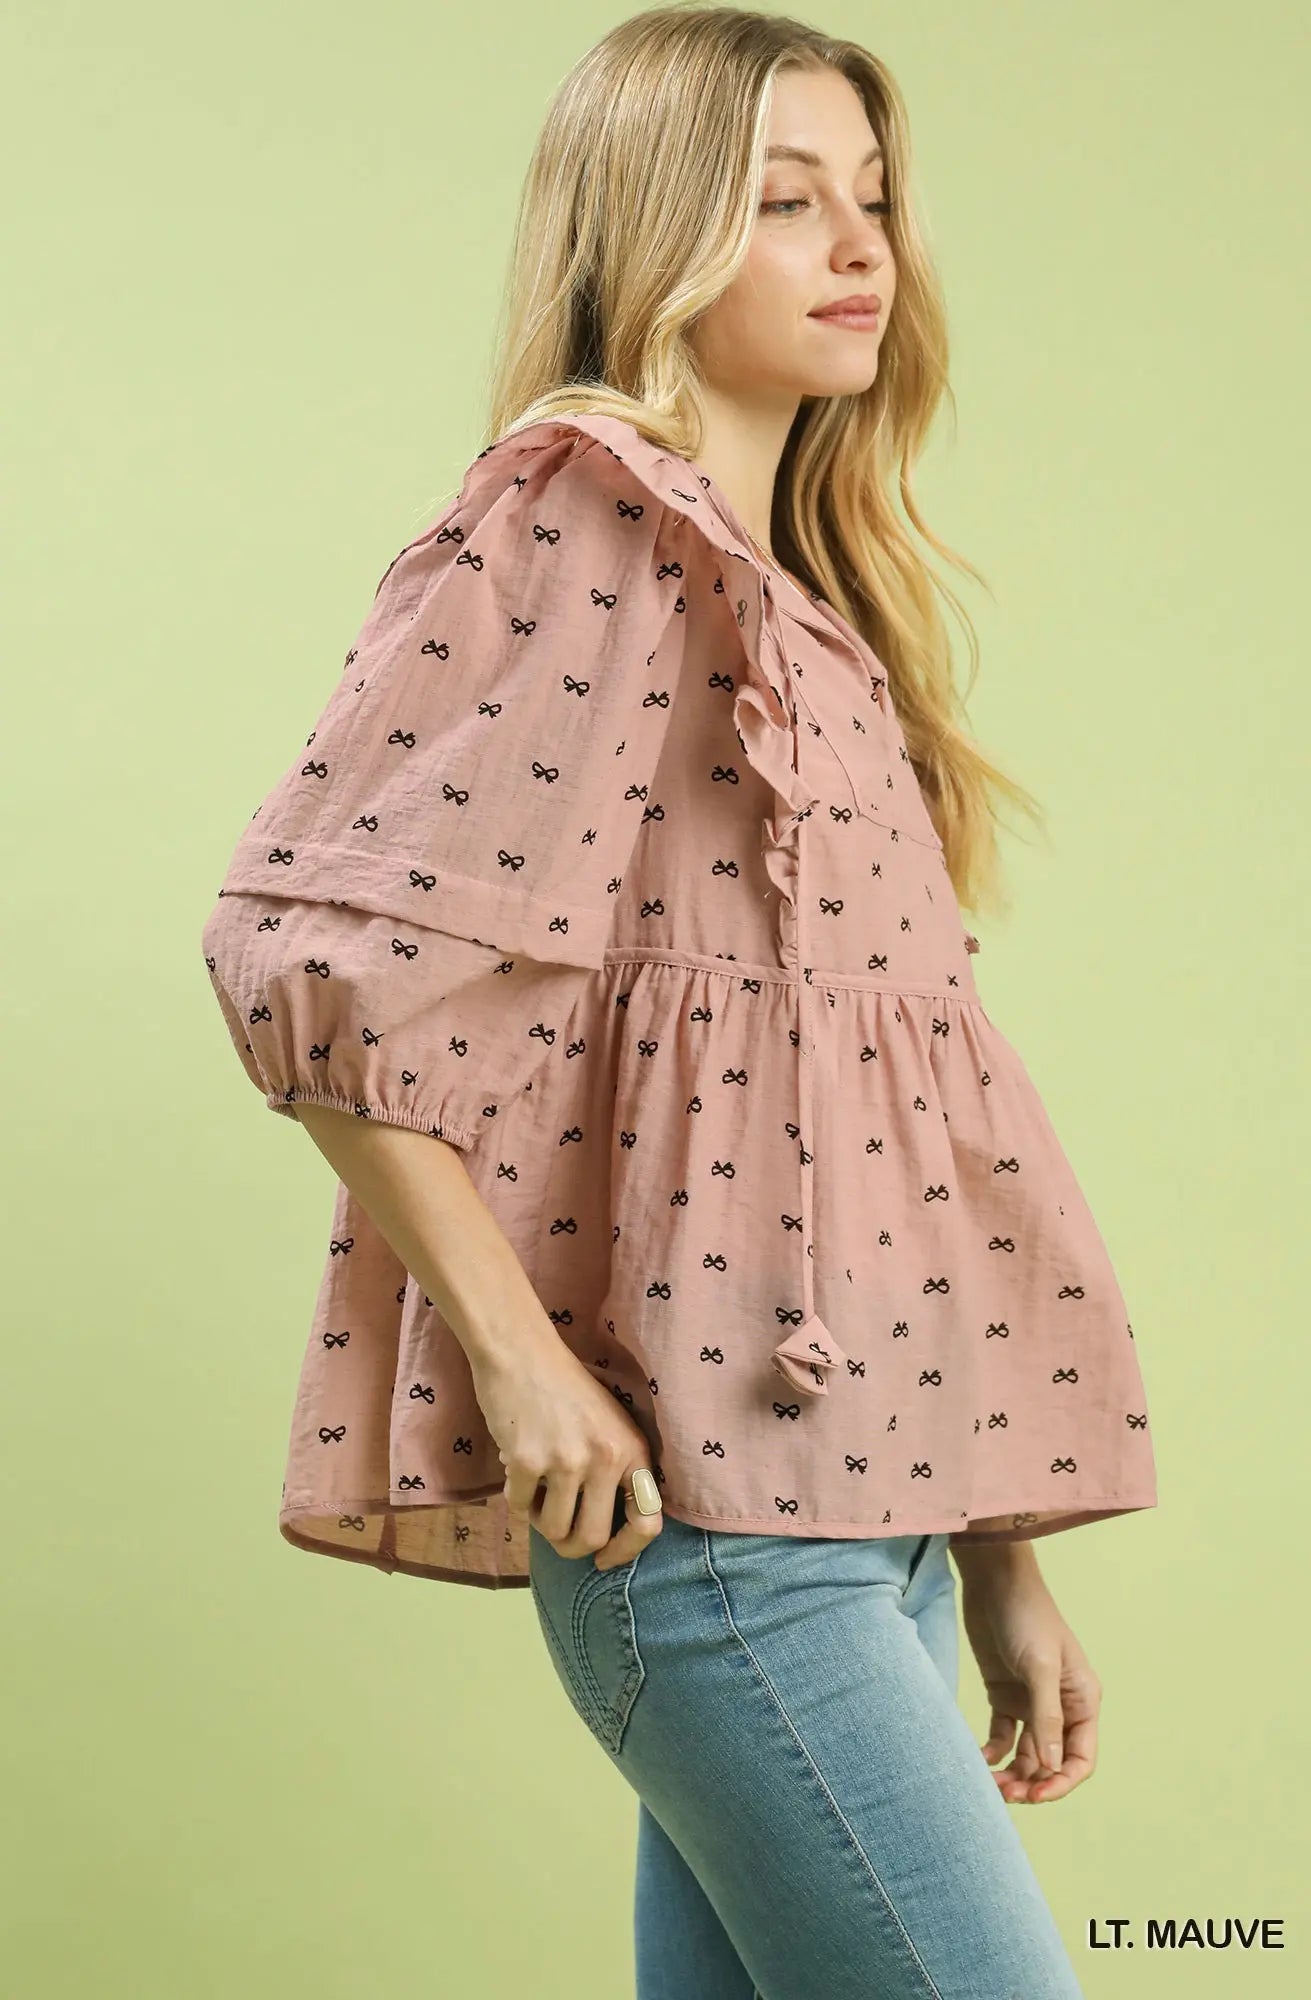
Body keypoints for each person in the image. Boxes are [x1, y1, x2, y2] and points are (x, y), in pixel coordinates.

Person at [199, 10, 1157, 1995]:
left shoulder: (804, 599)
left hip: (872, 1524)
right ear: (654, 235)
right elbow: (306, 953)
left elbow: (887, 1135)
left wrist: (994, 1556)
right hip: (716, 1542)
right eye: (784, 202)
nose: (860, 245)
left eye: (872, 198)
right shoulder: (583, 517)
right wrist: (521, 1364)